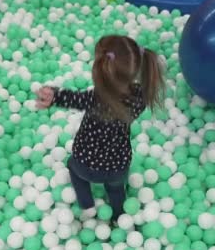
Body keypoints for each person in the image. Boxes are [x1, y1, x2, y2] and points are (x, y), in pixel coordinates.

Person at [35, 35, 166, 222]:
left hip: (85, 165)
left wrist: (54, 96)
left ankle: (87, 205)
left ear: (101, 70)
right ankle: (119, 216)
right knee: (116, 188)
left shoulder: (96, 99)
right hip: (118, 166)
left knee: (72, 168)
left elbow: (73, 99)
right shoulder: (140, 96)